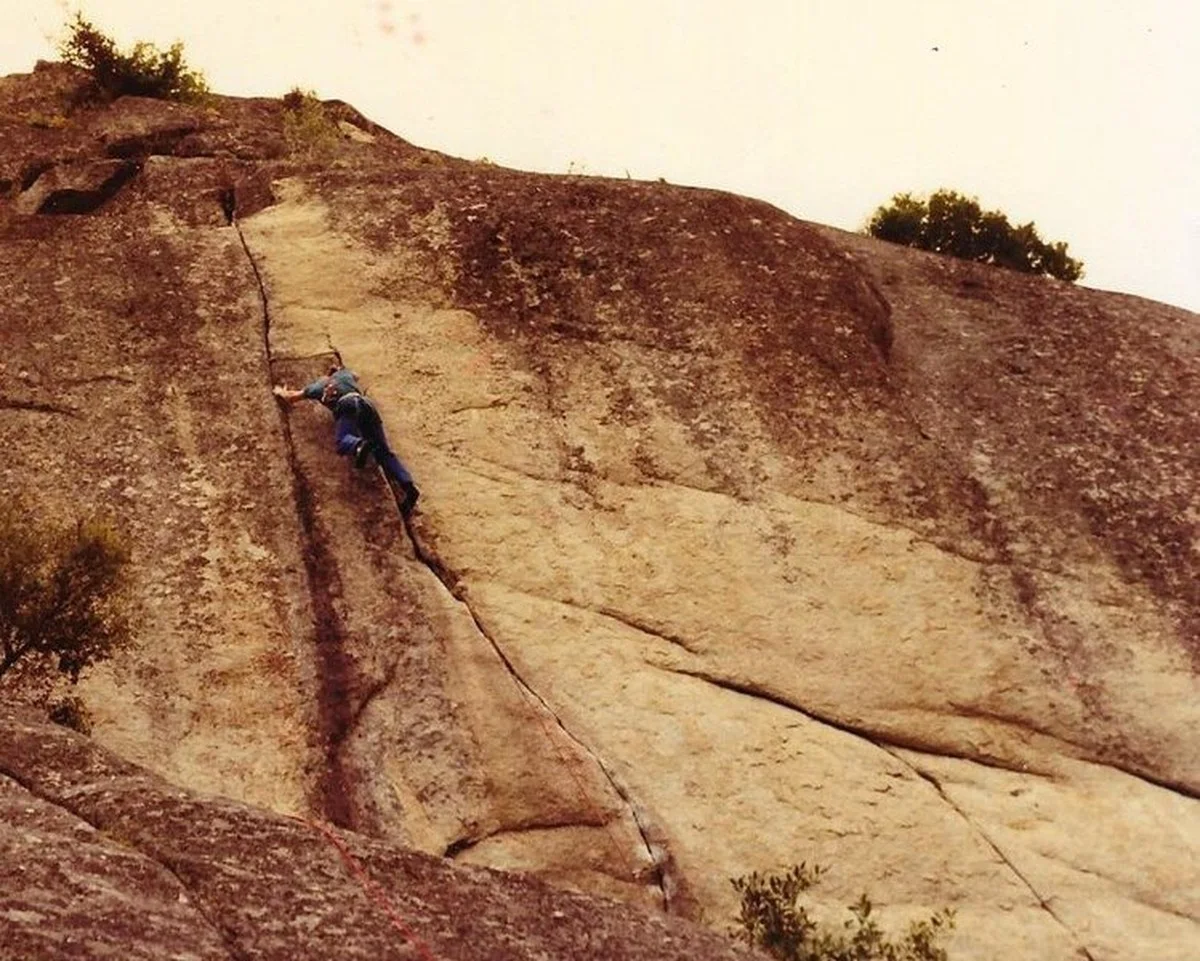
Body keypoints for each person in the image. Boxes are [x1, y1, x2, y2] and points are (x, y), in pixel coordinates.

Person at [273, 365, 420, 515]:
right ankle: (408, 485)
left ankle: (358, 445)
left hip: (347, 404)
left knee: (342, 441)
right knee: (384, 452)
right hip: (367, 405)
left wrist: (280, 391)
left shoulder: (316, 387)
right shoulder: (345, 375)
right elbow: (356, 375)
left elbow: (291, 397)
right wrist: (342, 372)